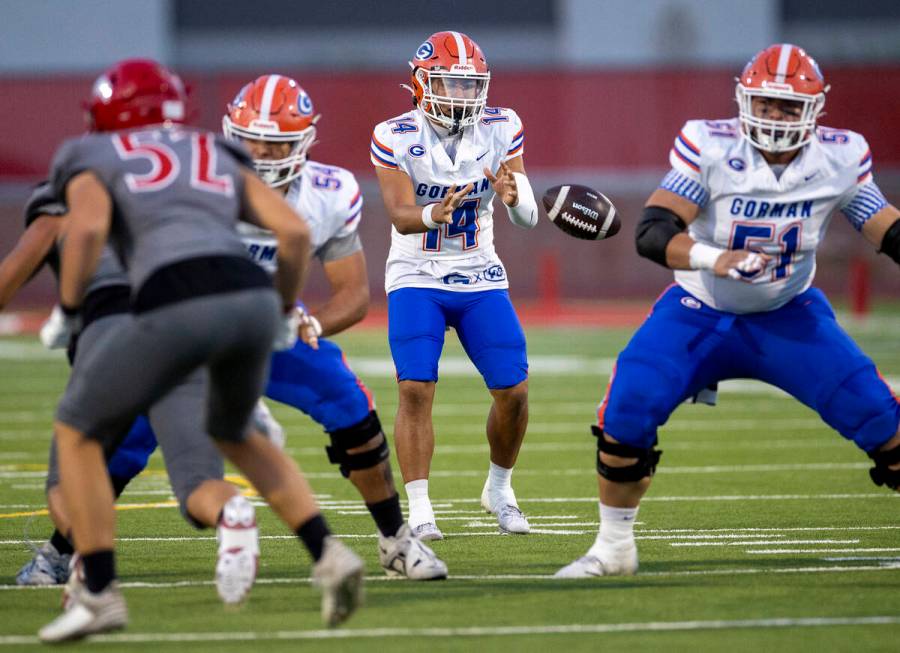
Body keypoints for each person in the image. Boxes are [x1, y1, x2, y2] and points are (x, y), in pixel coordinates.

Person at [36, 59, 364, 642]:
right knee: (238, 434)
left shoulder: (93, 154)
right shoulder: (216, 154)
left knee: (77, 430)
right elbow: (292, 233)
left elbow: (84, 231)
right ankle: (329, 553)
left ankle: (100, 591)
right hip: (251, 301)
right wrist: (285, 311)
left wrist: (66, 309)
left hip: (174, 301)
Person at [555, 44, 900, 578]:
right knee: (628, 406)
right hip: (700, 309)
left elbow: (885, 229)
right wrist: (718, 258)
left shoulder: (840, 157)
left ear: (815, 109)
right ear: (744, 101)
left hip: (789, 313)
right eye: (765, 104)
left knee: (883, 420)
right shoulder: (710, 145)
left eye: (788, 107)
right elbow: (653, 232)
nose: (775, 117)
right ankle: (614, 547)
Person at [371, 31, 539, 540]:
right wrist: (431, 212)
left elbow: (528, 216)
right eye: (449, 84)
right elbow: (401, 217)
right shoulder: (394, 134)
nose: (460, 96)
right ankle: (420, 509)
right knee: (415, 388)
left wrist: (514, 197)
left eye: (469, 86)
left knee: (514, 390)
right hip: (416, 274)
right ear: (421, 84)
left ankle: (499, 488)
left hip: (479, 270)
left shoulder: (501, 125)